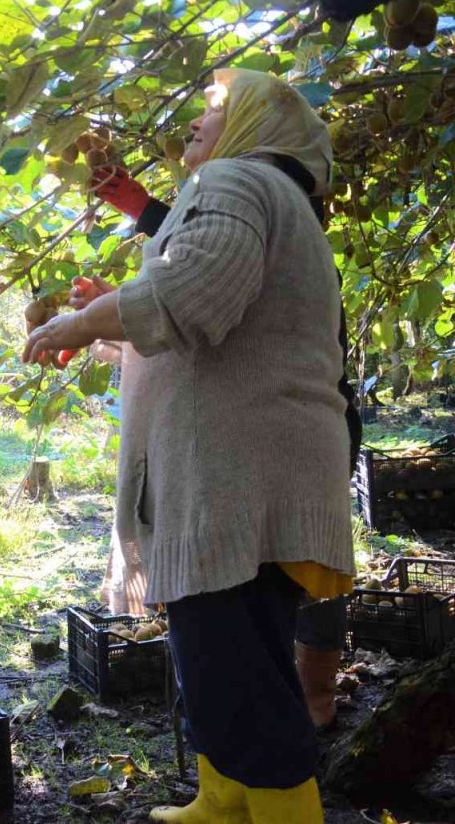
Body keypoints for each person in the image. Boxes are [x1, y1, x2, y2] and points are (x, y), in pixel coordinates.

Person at [25, 68, 354, 822]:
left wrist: (79, 323)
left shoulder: (235, 180)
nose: (195, 127)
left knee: (239, 681)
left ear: (255, 122)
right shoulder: (267, 196)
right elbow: (207, 340)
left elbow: (191, 294)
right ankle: (221, 800)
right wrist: (110, 331)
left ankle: (269, 806)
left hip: (230, 485)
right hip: (245, 481)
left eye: (213, 110)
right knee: (230, 665)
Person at [85, 111, 361, 734]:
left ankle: (310, 700)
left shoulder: (247, 197)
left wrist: (91, 318)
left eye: (215, 114)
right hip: (251, 445)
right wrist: (117, 304)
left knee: (276, 576)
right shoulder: (260, 208)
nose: (195, 122)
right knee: (258, 609)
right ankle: (250, 758)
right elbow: (189, 265)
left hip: (274, 445)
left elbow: (196, 279)